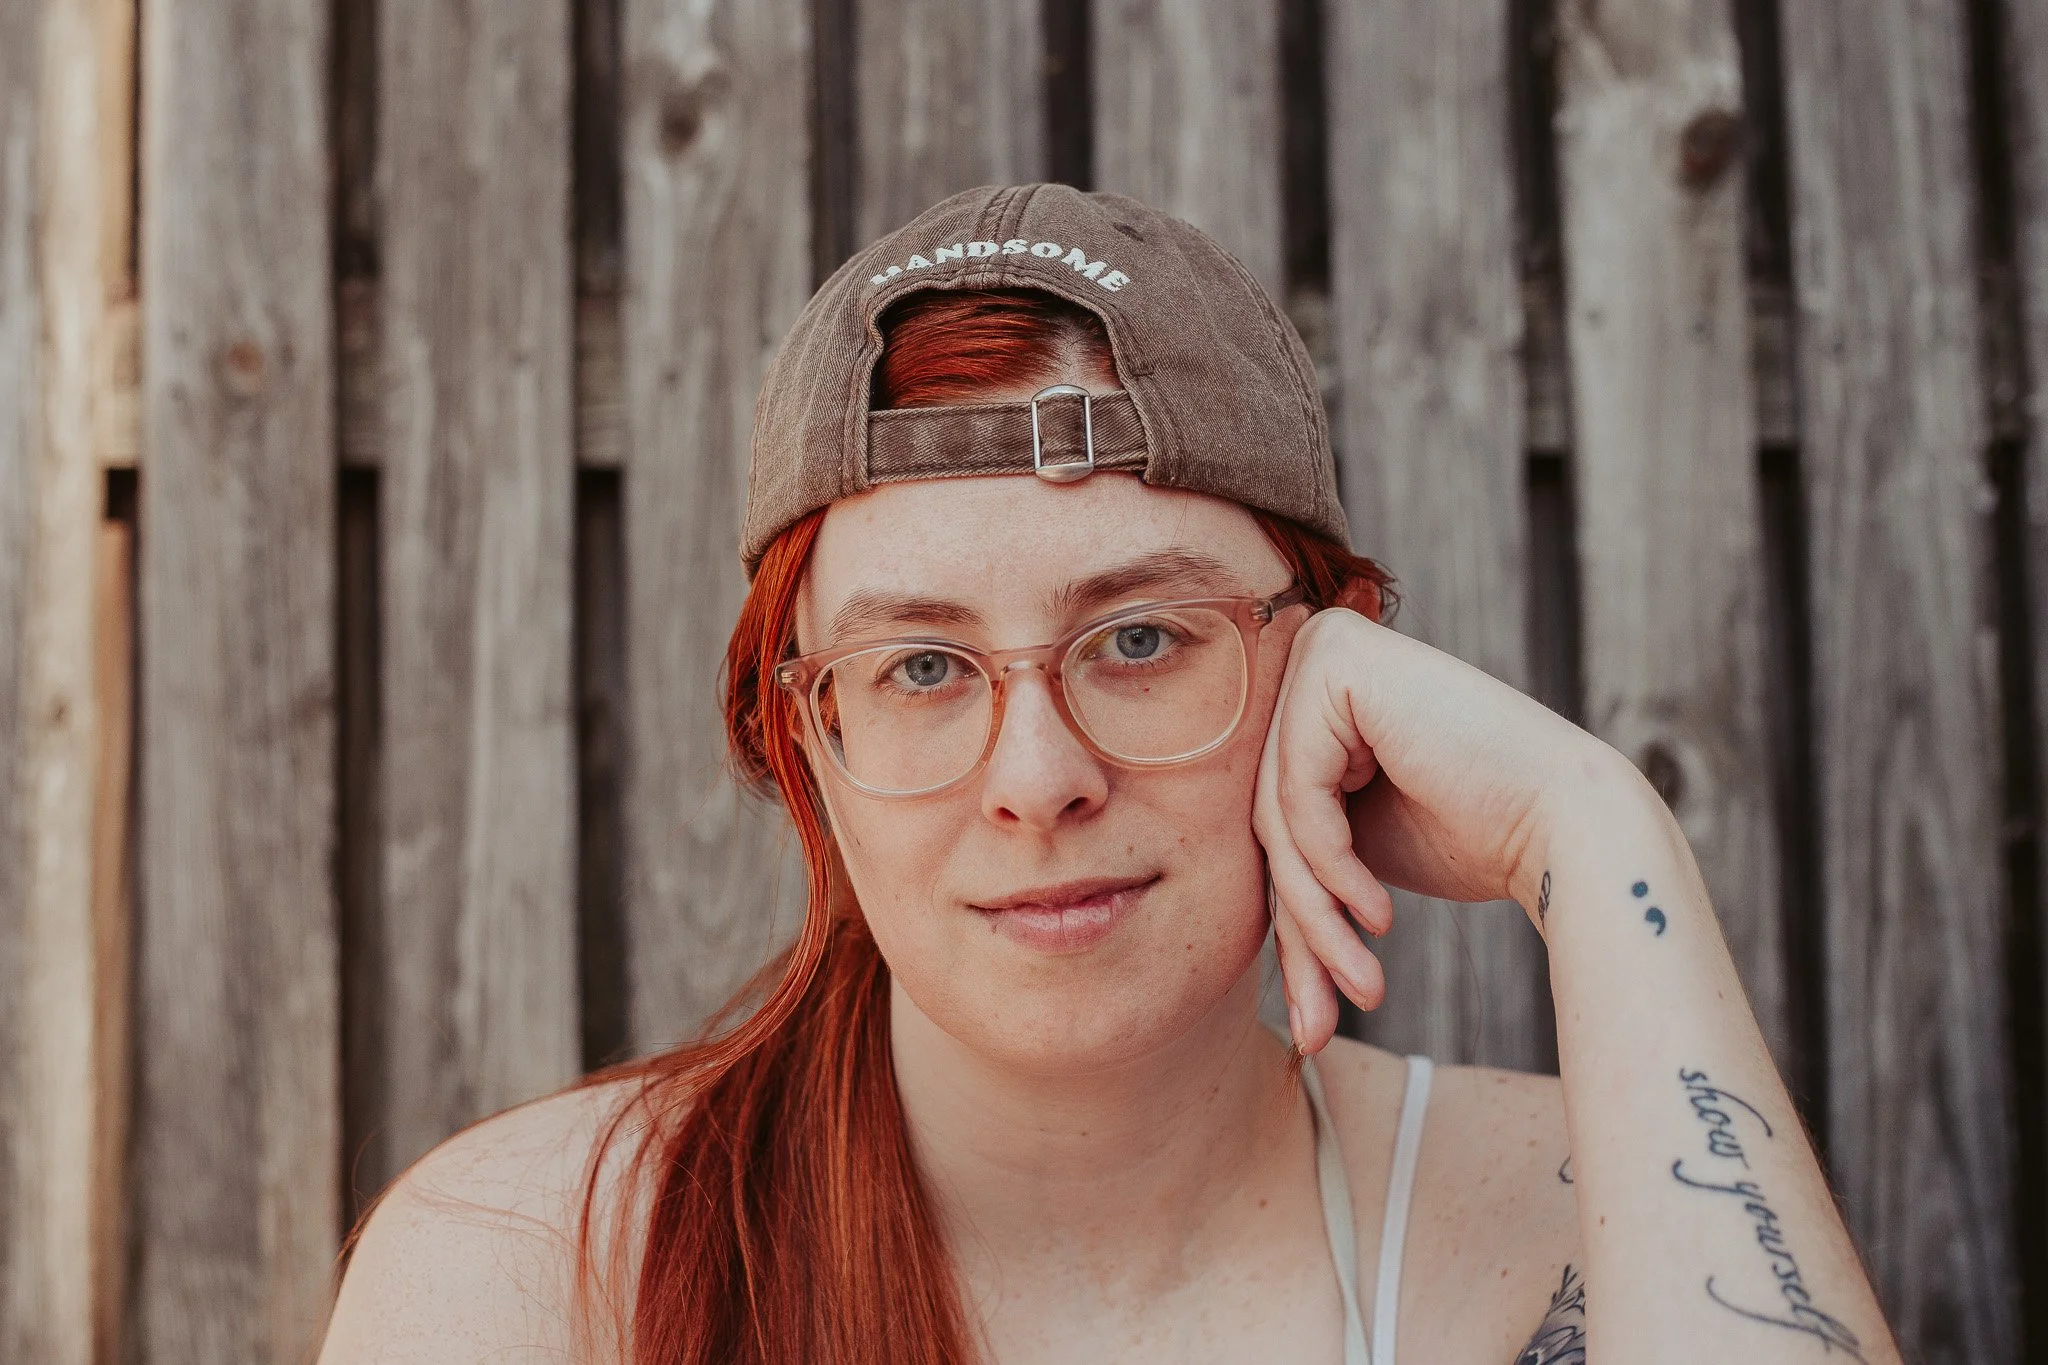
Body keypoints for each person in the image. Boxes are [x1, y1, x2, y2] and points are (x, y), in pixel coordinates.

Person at [318, 184, 1901, 1363]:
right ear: (807, 739)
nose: (1037, 776)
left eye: (1140, 639)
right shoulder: (534, 1272)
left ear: (1330, 670)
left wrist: (1593, 827)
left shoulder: (1584, 1221)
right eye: (922, 668)